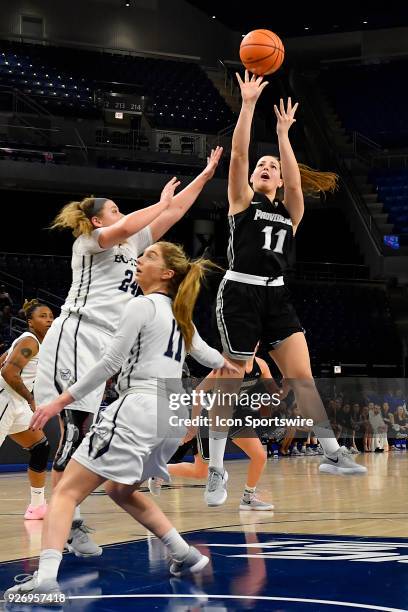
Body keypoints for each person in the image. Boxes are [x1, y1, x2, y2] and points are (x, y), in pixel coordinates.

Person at [4, 241, 238, 601]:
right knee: (120, 489)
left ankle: (47, 580)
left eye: (148, 256)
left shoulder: (142, 305)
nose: (139, 260)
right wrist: (230, 364)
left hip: (140, 407)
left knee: (66, 491)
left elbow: (110, 363)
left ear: (166, 273)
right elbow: (209, 357)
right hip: (169, 413)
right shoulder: (179, 313)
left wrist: (62, 400)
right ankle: (184, 554)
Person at [34, 147, 223, 555]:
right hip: (76, 335)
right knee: (72, 430)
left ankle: (71, 516)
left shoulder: (135, 241)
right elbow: (142, 219)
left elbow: (171, 215)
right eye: (116, 209)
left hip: (106, 341)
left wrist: (204, 177)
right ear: (97, 219)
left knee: (84, 431)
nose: (123, 215)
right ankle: (70, 522)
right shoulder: (90, 240)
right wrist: (159, 203)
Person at [205, 71, 367, 505]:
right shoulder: (241, 202)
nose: (266, 166)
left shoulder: (290, 211)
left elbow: (297, 184)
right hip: (239, 291)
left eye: (272, 166)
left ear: (278, 182)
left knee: (303, 376)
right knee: (232, 378)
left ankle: (331, 451)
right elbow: (239, 153)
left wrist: (282, 135)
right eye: (263, 165)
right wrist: (249, 105)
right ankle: (217, 468)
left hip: (276, 295)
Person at [150, 347, 276, 510]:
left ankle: (248, 498)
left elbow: (272, 393)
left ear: (257, 343)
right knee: (201, 472)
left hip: (237, 418)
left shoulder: (261, 365)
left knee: (259, 456)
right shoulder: (227, 366)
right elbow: (199, 391)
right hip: (212, 419)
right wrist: (193, 425)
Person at [0, 299, 54, 519]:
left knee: (40, 448)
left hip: (17, 404)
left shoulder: (34, 343)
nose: (49, 319)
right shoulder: (30, 341)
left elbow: (2, 361)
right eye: (43, 316)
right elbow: (8, 373)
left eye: (51, 315)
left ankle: (38, 506)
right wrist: (32, 399)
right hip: (5, 400)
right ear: (30, 322)